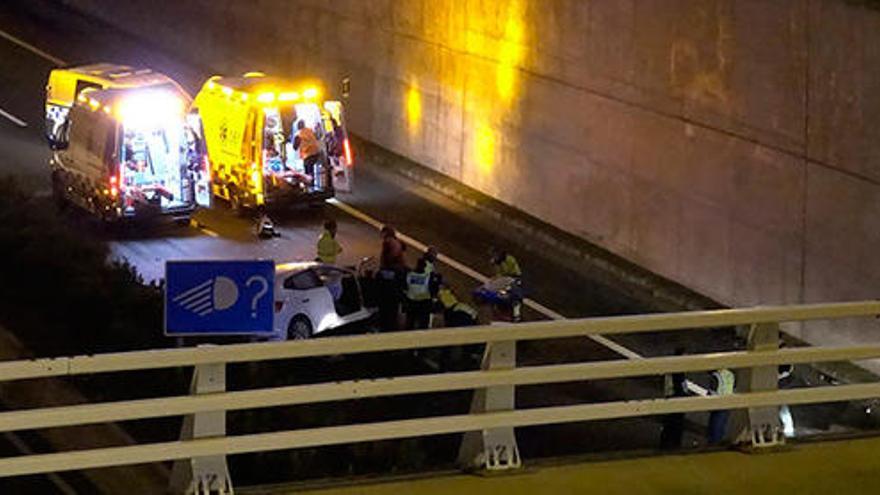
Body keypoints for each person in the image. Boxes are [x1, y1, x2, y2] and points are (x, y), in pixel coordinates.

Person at [376, 225, 407, 332]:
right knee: (394, 302)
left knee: (386, 301)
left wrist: (383, 270)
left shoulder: (388, 242)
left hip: (392, 273)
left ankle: (387, 325)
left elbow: (388, 259)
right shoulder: (396, 241)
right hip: (398, 273)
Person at [660, 347, 688, 450]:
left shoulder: (673, 366)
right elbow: (679, 384)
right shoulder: (677, 369)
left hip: (671, 396)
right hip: (675, 397)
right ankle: (673, 444)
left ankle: (666, 443)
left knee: (669, 422)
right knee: (675, 423)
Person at [707, 368, 736, 444]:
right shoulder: (730, 374)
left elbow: (712, 392)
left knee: (714, 429)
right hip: (727, 404)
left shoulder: (715, 375)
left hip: (717, 405)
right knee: (720, 427)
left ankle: (713, 446)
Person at [404, 258, 433, 330]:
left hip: (411, 303)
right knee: (423, 325)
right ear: (424, 267)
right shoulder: (427, 277)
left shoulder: (409, 275)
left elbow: (405, 287)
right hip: (423, 304)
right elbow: (432, 289)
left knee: (410, 324)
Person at [292, 120, 322, 186]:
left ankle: (310, 186)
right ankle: (312, 184)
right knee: (311, 169)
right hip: (316, 152)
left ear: (298, 127)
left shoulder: (299, 134)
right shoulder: (310, 130)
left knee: (308, 171)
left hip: (308, 154)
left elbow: (295, 147)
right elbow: (317, 137)